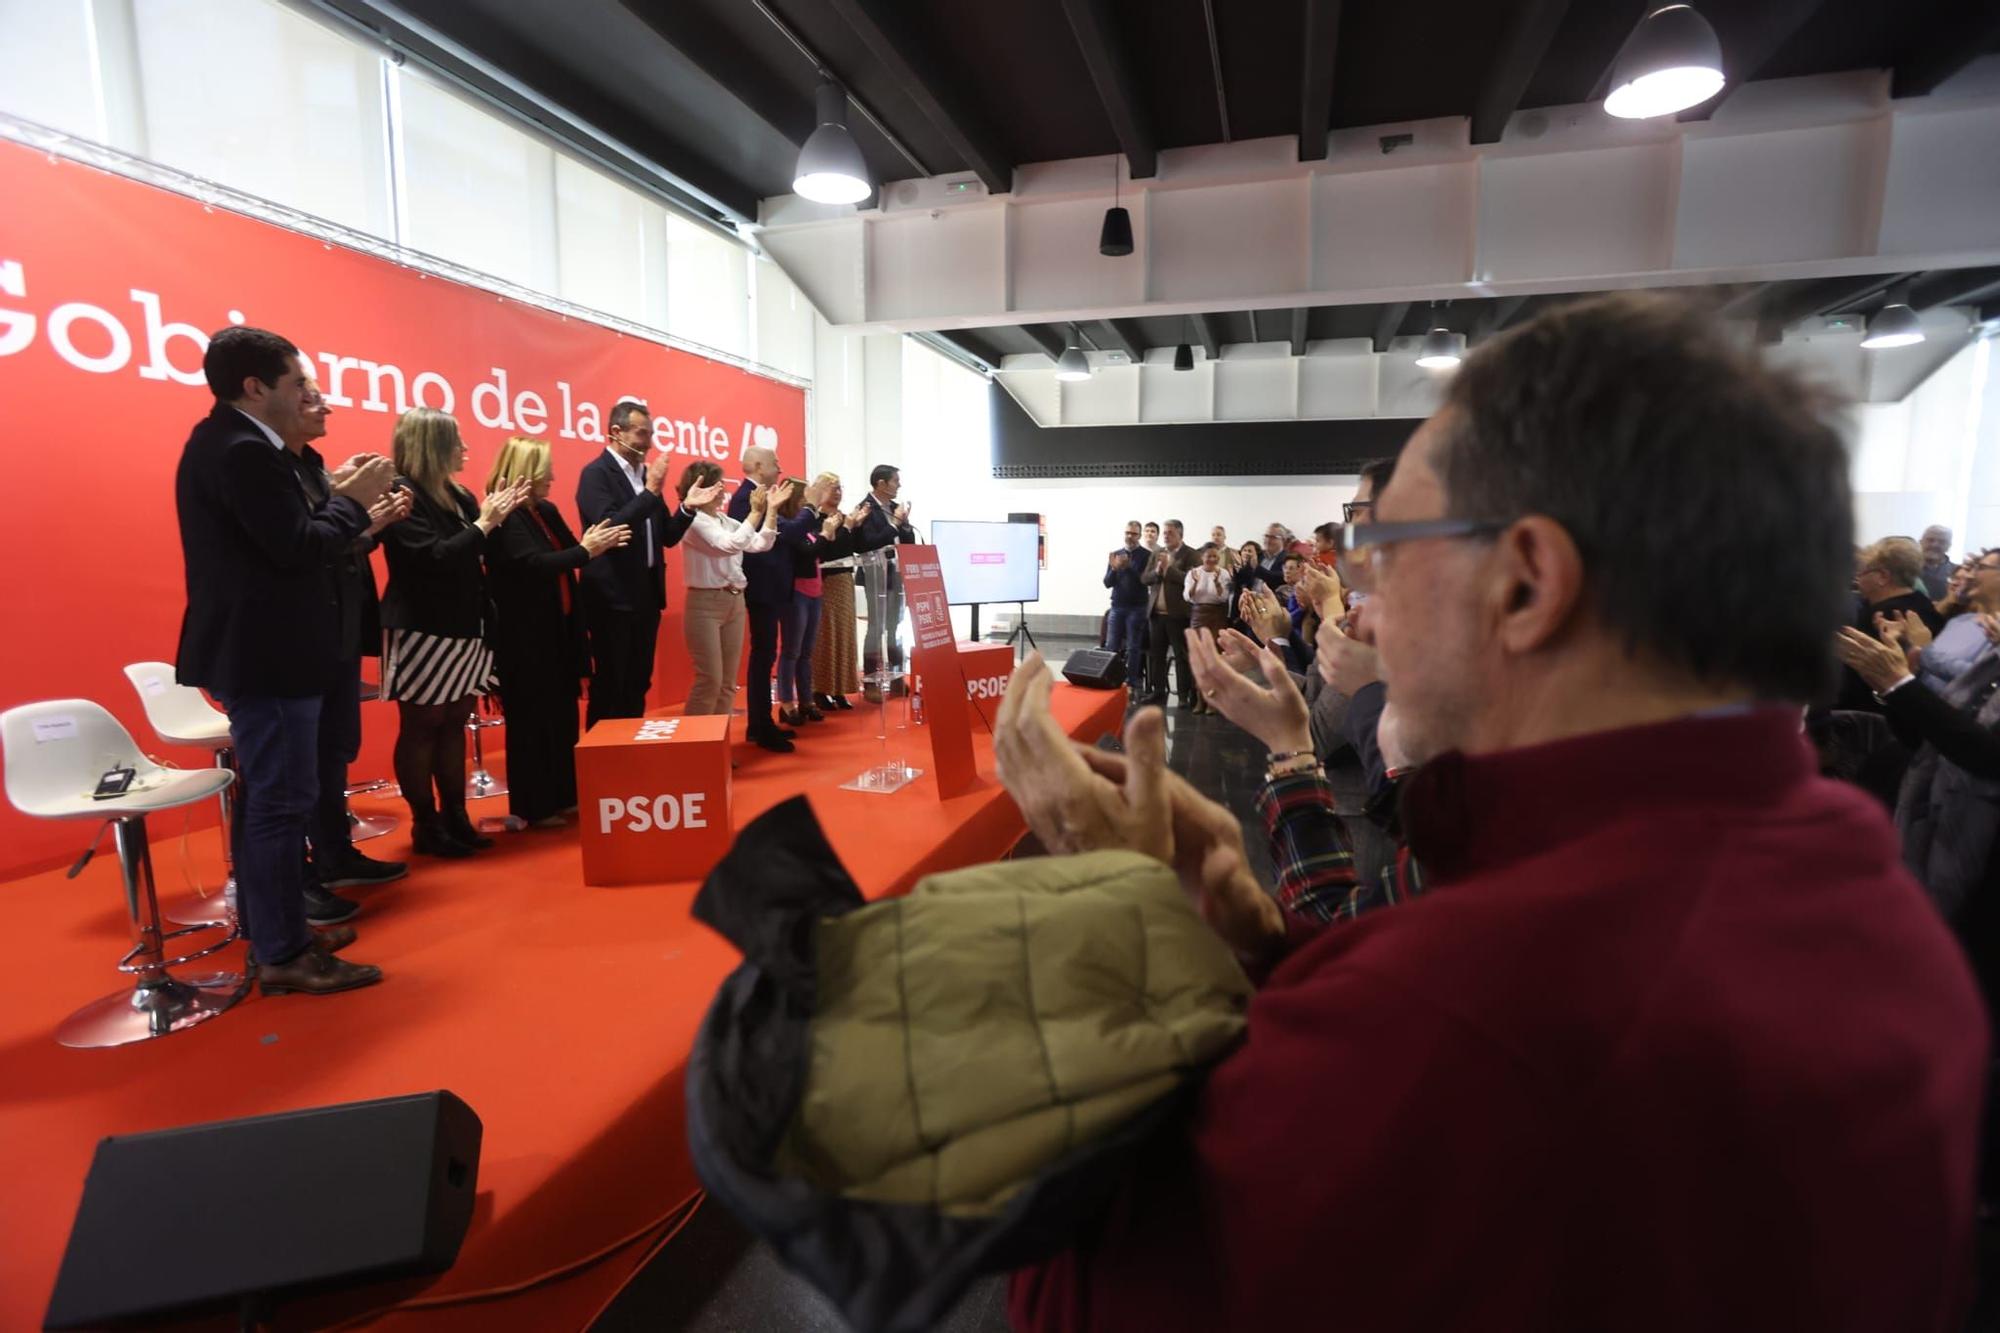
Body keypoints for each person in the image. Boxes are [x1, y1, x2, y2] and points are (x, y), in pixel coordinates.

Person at [1001, 292, 1985, 1331]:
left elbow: (1084, 1297)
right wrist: (1255, 921)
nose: (1361, 605)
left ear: (1525, 584)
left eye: (1379, 552)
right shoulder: (1846, 894)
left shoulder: (1482, 1016)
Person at [174, 325, 391, 995]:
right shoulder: (241, 452)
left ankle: (278, 928)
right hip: (266, 654)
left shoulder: (238, 446)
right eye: (299, 384)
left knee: (275, 801)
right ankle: (284, 952)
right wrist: (351, 502)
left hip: (272, 651)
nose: (309, 396)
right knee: (279, 802)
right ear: (255, 386)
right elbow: (296, 548)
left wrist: (338, 501)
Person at [284, 357, 410, 905]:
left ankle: (334, 854)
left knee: (333, 752)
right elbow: (301, 551)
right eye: (309, 396)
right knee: (297, 771)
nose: (325, 406)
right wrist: (355, 506)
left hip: (336, 636)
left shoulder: (310, 468)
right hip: (299, 642)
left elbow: (333, 545)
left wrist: (369, 521)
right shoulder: (265, 468)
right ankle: (300, 882)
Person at [378, 408, 528, 857]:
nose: (465, 448)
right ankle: (426, 825)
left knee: (453, 725)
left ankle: (455, 815)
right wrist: (486, 522)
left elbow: (477, 553)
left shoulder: (458, 494)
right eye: (456, 440)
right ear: (433, 445)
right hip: (424, 630)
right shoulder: (402, 493)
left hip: (467, 626)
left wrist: (497, 519)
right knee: (423, 726)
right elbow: (433, 559)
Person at [485, 437, 629, 828]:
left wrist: (597, 542)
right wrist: (588, 549)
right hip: (525, 635)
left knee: (563, 716)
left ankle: (564, 794)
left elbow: (573, 548)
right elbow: (535, 564)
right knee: (532, 721)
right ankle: (535, 804)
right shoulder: (507, 515)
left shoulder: (543, 510)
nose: (551, 477)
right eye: (545, 470)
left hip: (560, 631)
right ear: (525, 474)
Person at [575, 400, 718, 725]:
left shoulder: (642, 476)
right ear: (616, 432)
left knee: (638, 681)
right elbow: (609, 527)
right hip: (612, 598)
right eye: (642, 433)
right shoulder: (596, 474)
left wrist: (687, 509)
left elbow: (666, 535)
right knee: (611, 682)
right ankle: (603, 761)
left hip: (646, 598)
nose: (649, 441)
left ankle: (630, 755)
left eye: (651, 433)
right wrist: (651, 491)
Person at [680, 461, 790, 730]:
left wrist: (771, 511)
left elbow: (761, 543)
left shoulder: (724, 520)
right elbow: (728, 545)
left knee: (728, 684)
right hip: (705, 604)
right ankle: (692, 749)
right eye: (716, 485)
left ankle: (718, 750)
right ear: (700, 486)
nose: (721, 491)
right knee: (710, 680)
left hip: (734, 601)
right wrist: (755, 512)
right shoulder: (694, 521)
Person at [742, 467, 819, 750]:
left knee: (767, 658)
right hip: (763, 590)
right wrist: (810, 506)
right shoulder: (746, 497)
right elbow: (789, 535)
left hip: (774, 591)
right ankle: (761, 727)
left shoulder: (765, 502)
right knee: (768, 658)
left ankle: (762, 725)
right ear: (759, 466)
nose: (778, 467)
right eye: (773, 462)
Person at [778, 474, 862, 727]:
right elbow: (808, 551)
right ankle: (787, 704)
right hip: (798, 592)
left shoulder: (809, 524)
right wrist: (827, 533)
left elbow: (820, 548)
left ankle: (807, 701)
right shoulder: (791, 524)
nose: (811, 502)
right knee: (792, 652)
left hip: (815, 591)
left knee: (805, 652)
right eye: (808, 498)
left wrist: (832, 532)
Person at [1839, 536, 1948, 710]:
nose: (1858, 577)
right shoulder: (1923, 604)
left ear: (1882, 576)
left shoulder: (1885, 616)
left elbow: (1854, 677)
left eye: (1863, 571)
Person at [856, 464, 916, 702]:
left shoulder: (894, 508)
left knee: (896, 628)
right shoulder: (865, 508)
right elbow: (866, 543)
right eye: (895, 481)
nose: (899, 485)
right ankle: (871, 680)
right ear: (881, 484)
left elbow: (908, 542)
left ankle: (897, 678)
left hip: (895, 573)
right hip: (875, 574)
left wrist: (906, 524)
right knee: (876, 628)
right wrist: (893, 526)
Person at [1139, 520, 1197, 709]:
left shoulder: (1191, 554)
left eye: (1170, 533)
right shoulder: (1157, 553)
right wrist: (1157, 571)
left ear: (1180, 534)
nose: (1165, 536)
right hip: (1156, 614)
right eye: (1164, 533)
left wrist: (1169, 569)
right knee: (1157, 655)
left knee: (1181, 657)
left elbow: (1189, 580)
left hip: (1178, 615)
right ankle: (1158, 691)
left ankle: (1182, 695)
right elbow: (1144, 578)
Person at [1182, 547, 1231, 712]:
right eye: (1208, 556)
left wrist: (1217, 582)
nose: (1211, 559)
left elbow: (1224, 597)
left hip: (1217, 615)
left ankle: (1213, 702)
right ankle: (1200, 700)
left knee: (1215, 658)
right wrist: (1195, 583)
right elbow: (1187, 596)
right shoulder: (1193, 573)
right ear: (1202, 557)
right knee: (1199, 657)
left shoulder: (1224, 573)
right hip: (1198, 614)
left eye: (1215, 556)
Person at [1104, 521, 1150, 695]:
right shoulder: (1115, 554)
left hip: (1137, 607)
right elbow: (1107, 583)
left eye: (1134, 533)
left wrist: (1129, 567)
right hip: (1117, 606)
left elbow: (1145, 580)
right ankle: (1110, 679)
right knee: (1112, 645)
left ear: (1139, 536)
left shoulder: (1146, 555)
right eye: (1127, 533)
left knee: (1133, 646)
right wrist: (1114, 569)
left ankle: (1131, 681)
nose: (1130, 536)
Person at [1920, 524, 1958, 600]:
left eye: (1942, 542)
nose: (1935, 545)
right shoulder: (1906, 568)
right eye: (1930, 540)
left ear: (1949, 546)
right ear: (1921, 542)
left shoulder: (1957, 572)